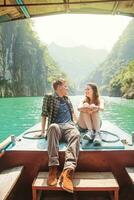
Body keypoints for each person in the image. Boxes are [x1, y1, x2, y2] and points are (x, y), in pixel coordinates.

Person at [41, 78, 80, 193]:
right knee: (52, 127)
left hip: (69, 126)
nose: (67, 88)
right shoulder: (49, 97)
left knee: (76, 133)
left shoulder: (67, 99)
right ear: (59, 87)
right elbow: (44, 114)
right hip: (56, 126)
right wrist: (43, 131)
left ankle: (68, 171)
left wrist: (80, 126)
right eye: (65, 86)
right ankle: (53, 168)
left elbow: (73, 114)